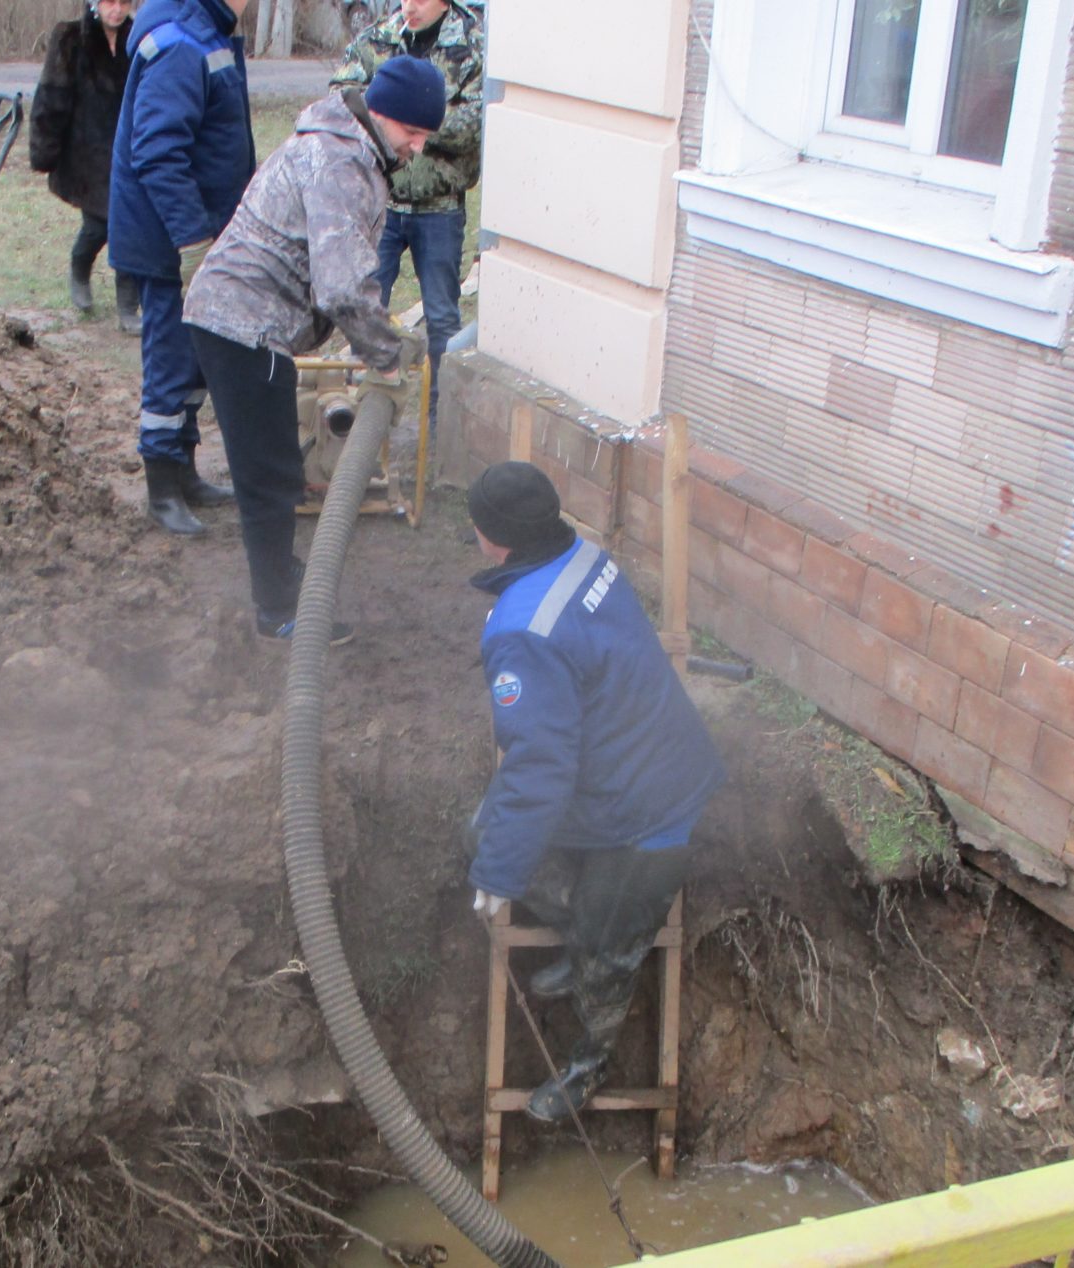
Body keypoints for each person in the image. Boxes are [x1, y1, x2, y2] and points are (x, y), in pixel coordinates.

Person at [462, 461, 725, 1122]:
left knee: (610, 947)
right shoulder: (581, 554)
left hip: (648, 810)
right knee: (483, 833)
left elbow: (540, 766)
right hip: (631, 757)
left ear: (496, 541)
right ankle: (579, 936)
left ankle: (588, 1057)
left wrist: (500, 874)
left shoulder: (522, 628)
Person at [182, 57, 446, 643]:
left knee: (273, 468)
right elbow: (343, 286)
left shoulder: (347, 146)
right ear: (383, 114)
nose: (418, 149)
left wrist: (380, 343)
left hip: (245, 318)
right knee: (269, 475)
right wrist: (385, 356)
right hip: (242, 321)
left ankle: (282, 580)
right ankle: (278, 610)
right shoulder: (341, 162)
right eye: (413, 133)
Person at [108, 0, 252, 536]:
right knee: (171, 363)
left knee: (195, 362)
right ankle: (161, 487)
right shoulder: (179, 43)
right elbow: (158, 152)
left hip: (201, 237)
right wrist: (193, 243)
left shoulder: (208, 30)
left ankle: (186, 469)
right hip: (169, 243)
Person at [330, 0, 484, 428]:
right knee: (363, 308)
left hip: (440, 206)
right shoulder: (377, 38)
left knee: (442, 318)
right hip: (382, 200)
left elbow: (476, 121)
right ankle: (354, 413)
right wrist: (422, 116)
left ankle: (440, 422)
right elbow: (342, 99)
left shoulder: (472, 45)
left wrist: (400, 118)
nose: (410, 7)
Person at [29, 0, 140, 333]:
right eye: (110, 2)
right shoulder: (70, 38)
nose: (116, 10)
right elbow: (52, 96)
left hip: (128, 150)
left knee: (129, 229)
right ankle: (80, 265)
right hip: (86, 151)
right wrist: (45, 149)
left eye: (124, 3)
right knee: (98, 225)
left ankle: (127, 309)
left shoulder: (138, 38)